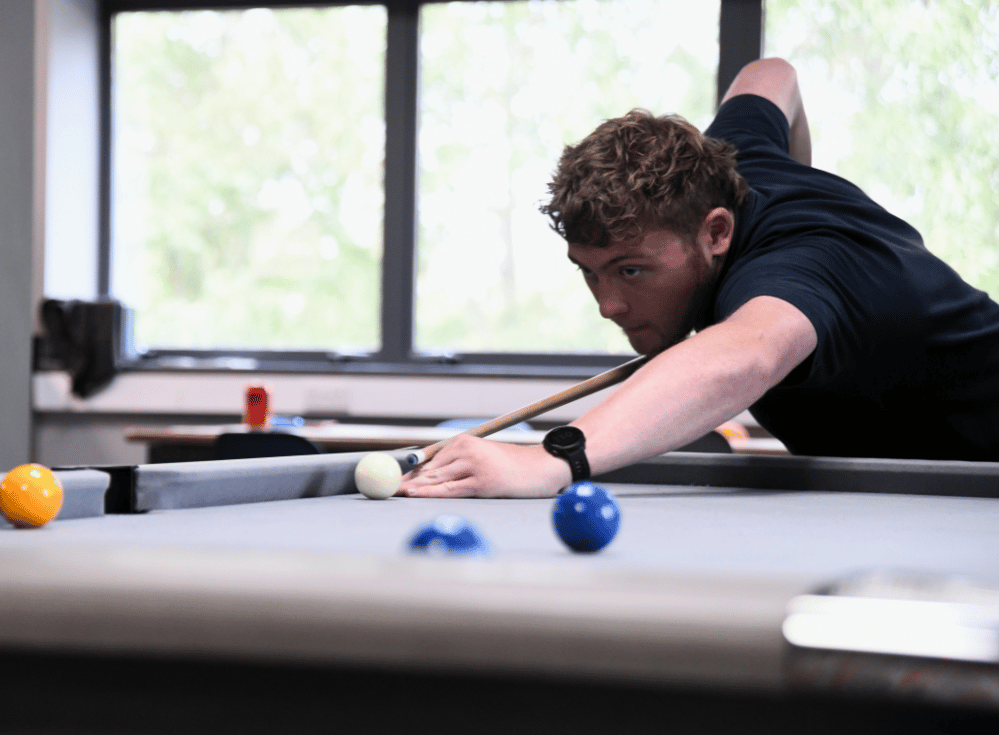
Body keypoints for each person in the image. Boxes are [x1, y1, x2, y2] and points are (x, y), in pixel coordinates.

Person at [399, 57, 999, 499]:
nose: (609, 304)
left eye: (632, 270)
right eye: (591, 273)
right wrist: (798, 173)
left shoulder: (797, 266)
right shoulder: (726, 163)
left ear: (716, 234)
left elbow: (744, 357)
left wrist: (550, 461)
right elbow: (772, 74)